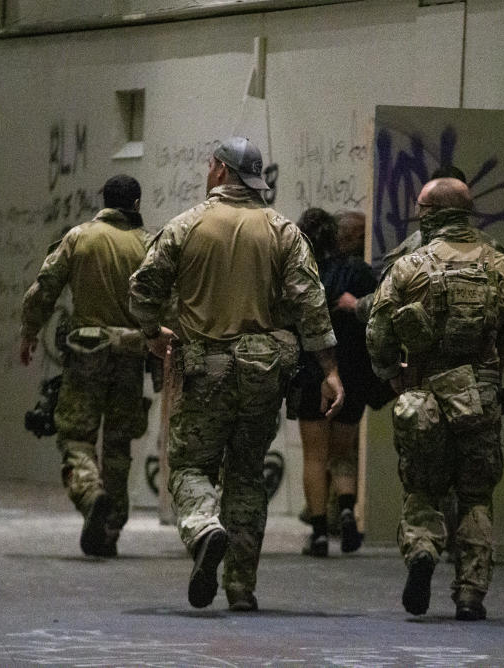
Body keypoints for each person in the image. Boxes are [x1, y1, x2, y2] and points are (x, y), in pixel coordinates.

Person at [128, 137, 344, 612]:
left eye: (210, 165)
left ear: (221, 171)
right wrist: (330, 370)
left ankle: (205, 529)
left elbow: (143, 289)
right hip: (264, 373)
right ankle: (241, 587)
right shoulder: (283, 231)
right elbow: (312, 303)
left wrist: (151, 332)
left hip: (205, 370)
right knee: (247, 474)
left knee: (189, 466)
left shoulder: (187, 225)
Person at [366, 177, 504, 621]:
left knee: (421, 488)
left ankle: (422, 551)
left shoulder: (409, 266)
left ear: (430, 215)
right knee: (475, 496)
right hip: (481, 397)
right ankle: (471, 593)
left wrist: (389, 375)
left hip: (423, 394)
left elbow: (377, 331)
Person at [20, 174, 166, 558]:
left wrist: (30, 331)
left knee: (75, 435)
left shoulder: (79, 237)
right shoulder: (149, 244)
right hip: (131, 354)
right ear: (136, 204)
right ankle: (111, 528)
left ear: (104, 201)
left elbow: (45, 287)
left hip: (86, 351)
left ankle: (89, 492)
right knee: (118, 444)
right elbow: (166, 302)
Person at [291, 207, 376, 557]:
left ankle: (320, 533)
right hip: (353, 372)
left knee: (314, 455)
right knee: (342, 452)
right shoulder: (360, 272)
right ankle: (346, 511)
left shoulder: (303, 274)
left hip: (313, 372)